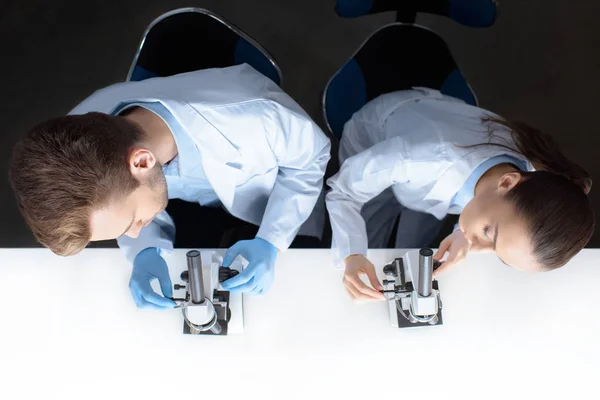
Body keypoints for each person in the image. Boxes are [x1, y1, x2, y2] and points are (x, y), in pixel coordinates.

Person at [10, 64, 331, 308]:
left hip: (275, 195)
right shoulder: (76, 143)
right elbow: (119, 202)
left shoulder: (256, 119)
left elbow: (312, 159)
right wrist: (145, 250)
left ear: (142, 162)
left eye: (133, 222)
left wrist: (272, 241)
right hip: (192, 202)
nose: (132, 233)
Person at [326, 88, 594, 301]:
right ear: (507, 182)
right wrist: (352, 255)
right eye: (489, 233)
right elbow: (343, 192)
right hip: (378, 133)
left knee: (414, 243)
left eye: (497, 252)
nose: (474, 248)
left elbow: (491, 217)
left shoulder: (532, 183)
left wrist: (459, 233)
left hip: (442, 126)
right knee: (369, 233)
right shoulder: (418, 159)